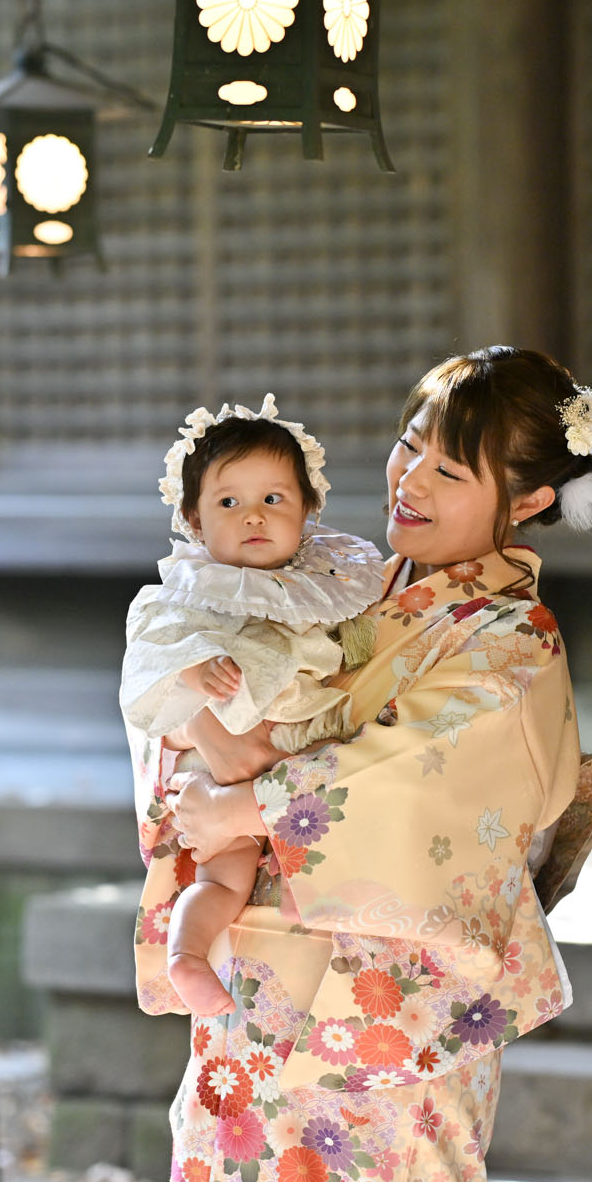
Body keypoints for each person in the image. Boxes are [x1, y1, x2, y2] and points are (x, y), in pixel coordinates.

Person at [133, 346, 592, 1182]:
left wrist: (247, 800)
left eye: (451, 469)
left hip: (389, 1012)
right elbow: (191, 674)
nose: (412, 480)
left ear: (531, 498)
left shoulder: (511, 642)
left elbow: (411, 781)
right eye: (410, 444)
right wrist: (208, 752)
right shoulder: (341, 582)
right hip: (257, 974)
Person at [122, 395, 385, 1016]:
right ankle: (186, 954)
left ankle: (311, 895)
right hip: (220, 754)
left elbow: (359, 645)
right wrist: (193, 666)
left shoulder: (327, 584)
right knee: (225, 875)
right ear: (193, 516)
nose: (253, 517)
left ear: (308, 509)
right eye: (228, 502)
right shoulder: (186, 591)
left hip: (304, 742)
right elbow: (146, 660)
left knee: (340, 797)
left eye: (274, 499)